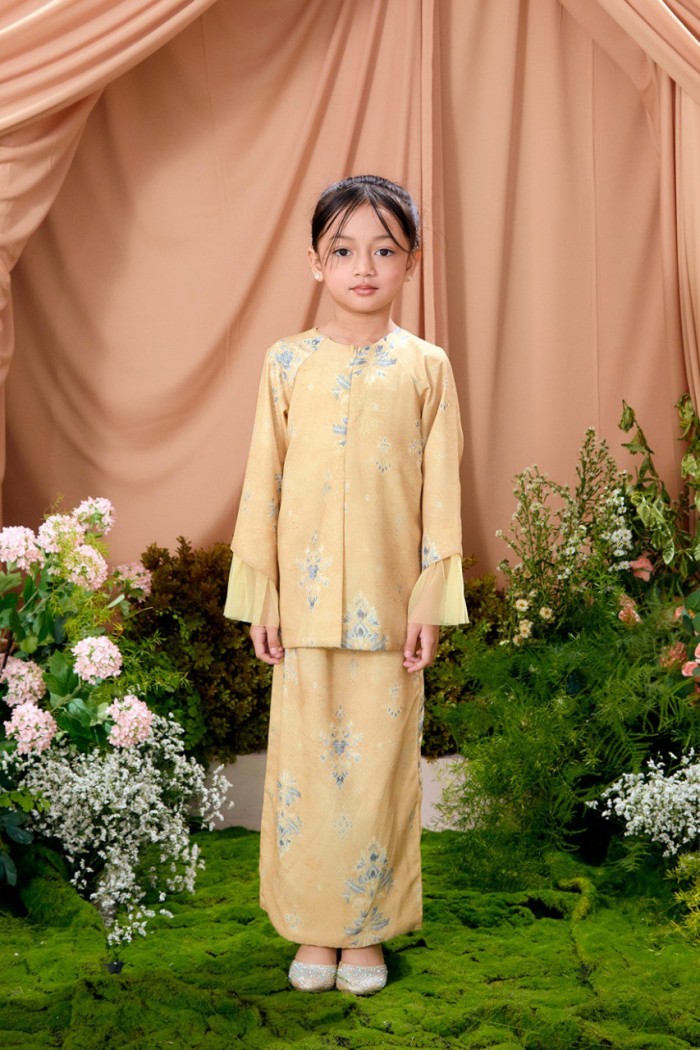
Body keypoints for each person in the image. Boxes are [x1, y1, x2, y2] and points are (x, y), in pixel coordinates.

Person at [224, 174, 468, 995]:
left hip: (389, 608)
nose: (364, 266)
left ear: (412, 262)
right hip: (303, 609)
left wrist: (429, 602)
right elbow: (262, 483)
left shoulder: (426, 368)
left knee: (377, 776)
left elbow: (442, 495)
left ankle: (367, 931)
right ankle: (311, 929)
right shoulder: (286, 363)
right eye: (344, 249)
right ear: (315, 261)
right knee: (302, 775)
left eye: (384, 250)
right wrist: (263, 596)